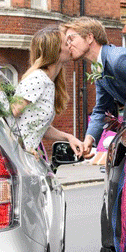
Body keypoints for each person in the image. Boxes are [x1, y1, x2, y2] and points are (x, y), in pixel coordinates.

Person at [63, 17, 126, 157]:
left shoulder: (119, 60)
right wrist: (89, 139)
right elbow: (101, 108)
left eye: (71, 39)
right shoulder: (97, 67)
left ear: (90, 37)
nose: (68, 45)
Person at [11, 25, 85, 156]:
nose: (70, 45)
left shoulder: (48, 81)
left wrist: (69, 137)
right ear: (55, 50)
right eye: (66, 42)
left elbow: (38, 126)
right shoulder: (37, 78)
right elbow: (10, 115)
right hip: (19, 155)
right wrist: (23, 147)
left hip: (27, 156)